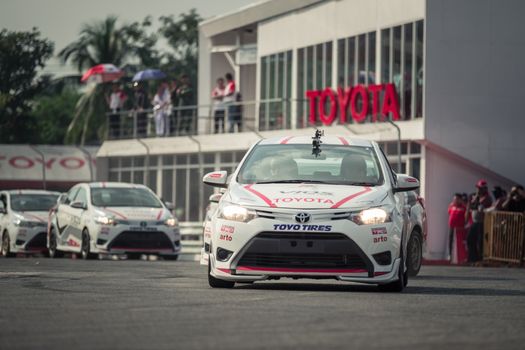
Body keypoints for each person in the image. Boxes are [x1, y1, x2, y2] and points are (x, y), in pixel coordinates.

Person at [466, 179, 493, 263]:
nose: (478, 190)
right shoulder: (475, 196)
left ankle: (480, 259)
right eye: (478, 188)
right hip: (474, 222)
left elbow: (477, 206)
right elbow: (471, 207)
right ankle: (472, 258)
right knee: (470, 239)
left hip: (482, 223)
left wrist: (475, 199)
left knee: (480, 241)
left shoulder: (487, 197)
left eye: (481, 188)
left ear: (485, 189)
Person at [448, 193, 467, 264]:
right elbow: (449, 213)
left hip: (459, 229)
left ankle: (459, 258)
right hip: (452, 227)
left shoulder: (463, 207)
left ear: (460, 200)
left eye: (456, 199)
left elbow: (466, 217)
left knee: (458, 244)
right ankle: (451, 256)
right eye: (454, 199)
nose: (455, 201)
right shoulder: (451, 206)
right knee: (450, 242)